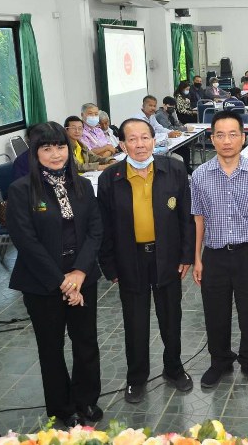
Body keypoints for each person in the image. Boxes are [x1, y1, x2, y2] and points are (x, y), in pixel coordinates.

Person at [6, 122, 103, 427]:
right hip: (42, 281)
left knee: (86, 341)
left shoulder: (83, 185)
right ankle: (62, 407)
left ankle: (86, 399)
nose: (56, 154)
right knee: (51, 347)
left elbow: (95, 231)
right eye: (46, 148)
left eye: (60, 146)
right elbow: (26, 242)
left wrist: (79, 273)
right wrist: (63, 282)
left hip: (82, 276)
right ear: (35, 152)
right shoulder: (21, 190)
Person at [97, 118, 196, 403]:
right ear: (122, 144)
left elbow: (186, 217)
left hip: (167, 256)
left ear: (154, 140)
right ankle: (136, 378)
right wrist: (109, 266)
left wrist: (186, 255)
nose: (139, 144)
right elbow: (103, 226)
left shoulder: (174, 169)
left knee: (171, 318)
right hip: (130, 260)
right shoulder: (110, 178)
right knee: (135, 322)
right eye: (132, 139)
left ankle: (174, 368)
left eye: (145, 138)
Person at [191, 110, 248, 389]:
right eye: (220, 135)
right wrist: (197, 258)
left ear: (243, 137)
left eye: (232, 134)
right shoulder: (200, 175)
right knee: (215, 313)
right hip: (214, 255)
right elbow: (198, 219)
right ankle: (220, 362)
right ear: (212, 138)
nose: (226, 141)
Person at [156, 97, 192, 173]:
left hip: (174, 137)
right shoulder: (160, 115)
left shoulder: (171, 112)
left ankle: (187, 169)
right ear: (164, 105)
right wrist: (184, 129)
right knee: (182, 152)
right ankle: (182, 170)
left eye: (173, 107)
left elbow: (176, 123)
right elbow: (169, 128)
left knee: (186, 149)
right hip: (166, 140)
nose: (172, 108)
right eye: (170, 106)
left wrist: (183, 126)